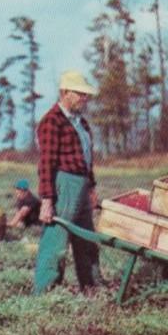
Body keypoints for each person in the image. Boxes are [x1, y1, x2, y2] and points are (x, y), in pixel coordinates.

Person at [34, 70, 102, 295]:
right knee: (56, 241)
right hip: (64, 183)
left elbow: (86, 158)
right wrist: (47, 200)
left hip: (81, 184)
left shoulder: (80, 123)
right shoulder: (52, 122)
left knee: (86, 239)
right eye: (80, 93)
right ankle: (45, 292)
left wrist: (91, 187)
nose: (85, 98)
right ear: (64, 93)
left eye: (86, 94)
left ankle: (91, 287)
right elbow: (46, 163)